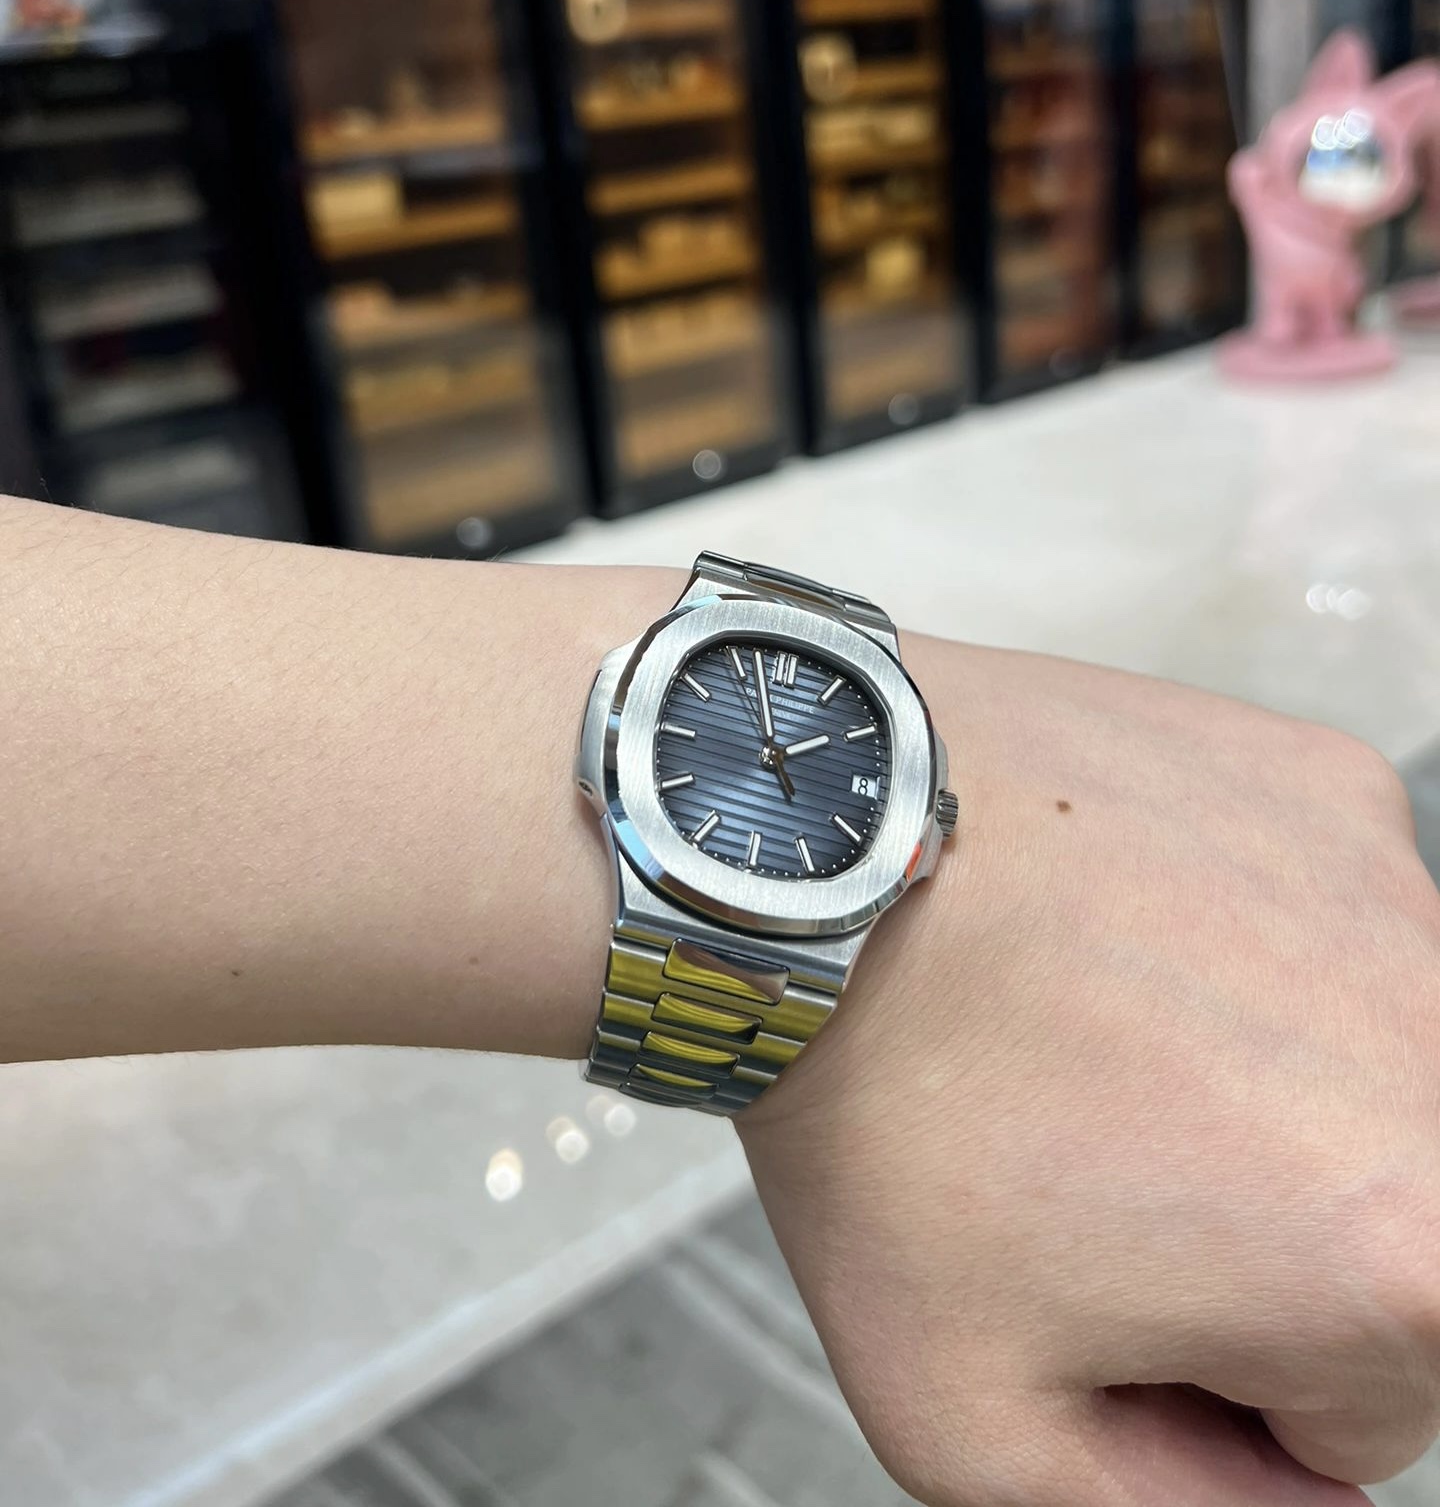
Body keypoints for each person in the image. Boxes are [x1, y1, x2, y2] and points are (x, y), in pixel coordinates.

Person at [3, 493, 1438, 1507]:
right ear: (603, 756)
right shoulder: (639, 763)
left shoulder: (872, 803)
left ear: (919, 832)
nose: (782, 759)